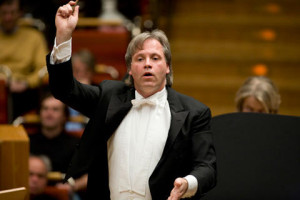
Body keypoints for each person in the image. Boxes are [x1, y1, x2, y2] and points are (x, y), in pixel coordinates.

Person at [46, 1, 217, 199]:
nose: (147, 64)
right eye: (140, 58)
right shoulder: (109, 97)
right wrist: (64, 36)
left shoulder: (194, 112)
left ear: (167, 67)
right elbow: (64, 89)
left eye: (155, 58)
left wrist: (187, 183)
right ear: (129, 69)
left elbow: (208, 168)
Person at [29, 93, 88, 200]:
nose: (49, 113)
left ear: (64, 116)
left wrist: (73, 186)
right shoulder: (27, 141)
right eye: (45, 108)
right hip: (31, 192)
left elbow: (92, 174)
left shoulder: (77, 144)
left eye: (55, 109)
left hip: (65, 194)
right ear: (39, 113)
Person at [0, 0, 48, 121]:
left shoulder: (34, 36)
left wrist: (27, 83)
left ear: (20, 13)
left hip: (24, 91)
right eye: (4, 13)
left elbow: (44, 68)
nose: (8, 17)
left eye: (12, 12)